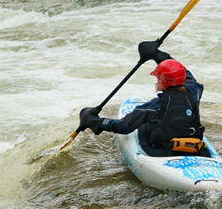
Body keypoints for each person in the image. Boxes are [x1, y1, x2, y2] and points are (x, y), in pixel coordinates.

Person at [78, 40, 208, 157]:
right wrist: (158, 54)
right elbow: (186, 73)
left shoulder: (155, 106)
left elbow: (123, 127)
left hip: (163, 148)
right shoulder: (194, 91)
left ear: (162, 81)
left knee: (146, 124)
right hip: (192, 142)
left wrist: (96, 122)